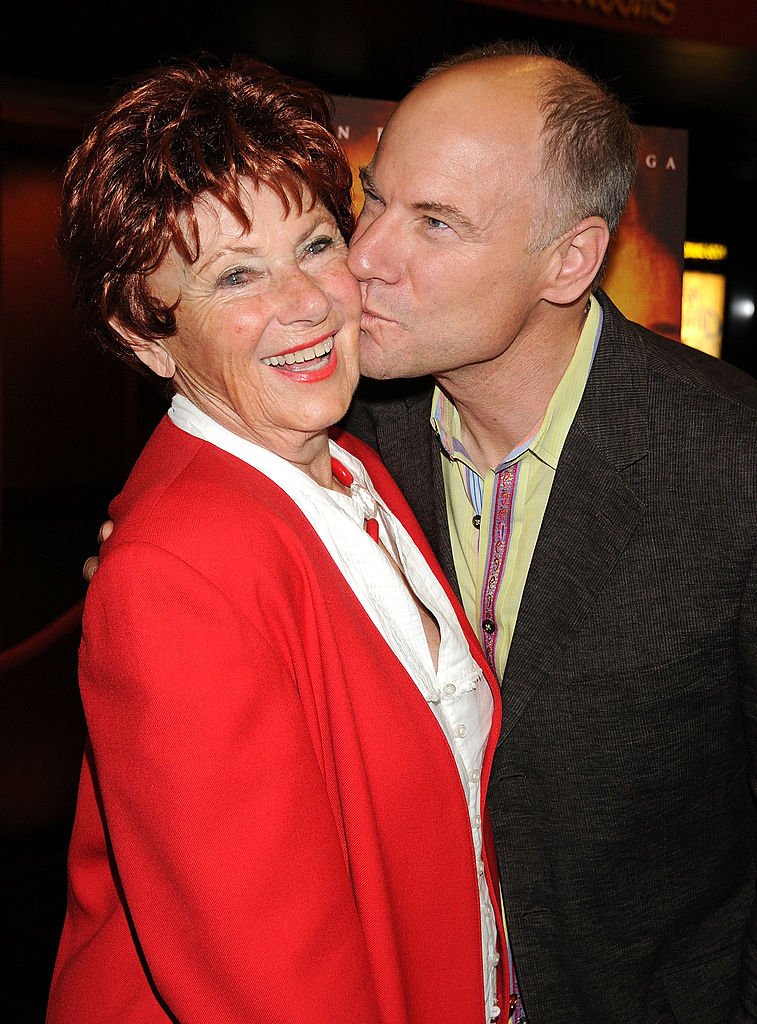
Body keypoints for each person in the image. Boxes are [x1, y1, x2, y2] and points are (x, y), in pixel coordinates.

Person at [48, 56, 507, 1024]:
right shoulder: (177, 570)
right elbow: (268, 982)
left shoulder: (349, 470)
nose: (306, 302)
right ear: (145, 331)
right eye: (236, 275)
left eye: (314, 244)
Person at [341, 42, 757, 1024]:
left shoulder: (730, 463)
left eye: (435, 223)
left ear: (568, 260)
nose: (365, 256)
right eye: (373, 200)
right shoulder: (338, 435)